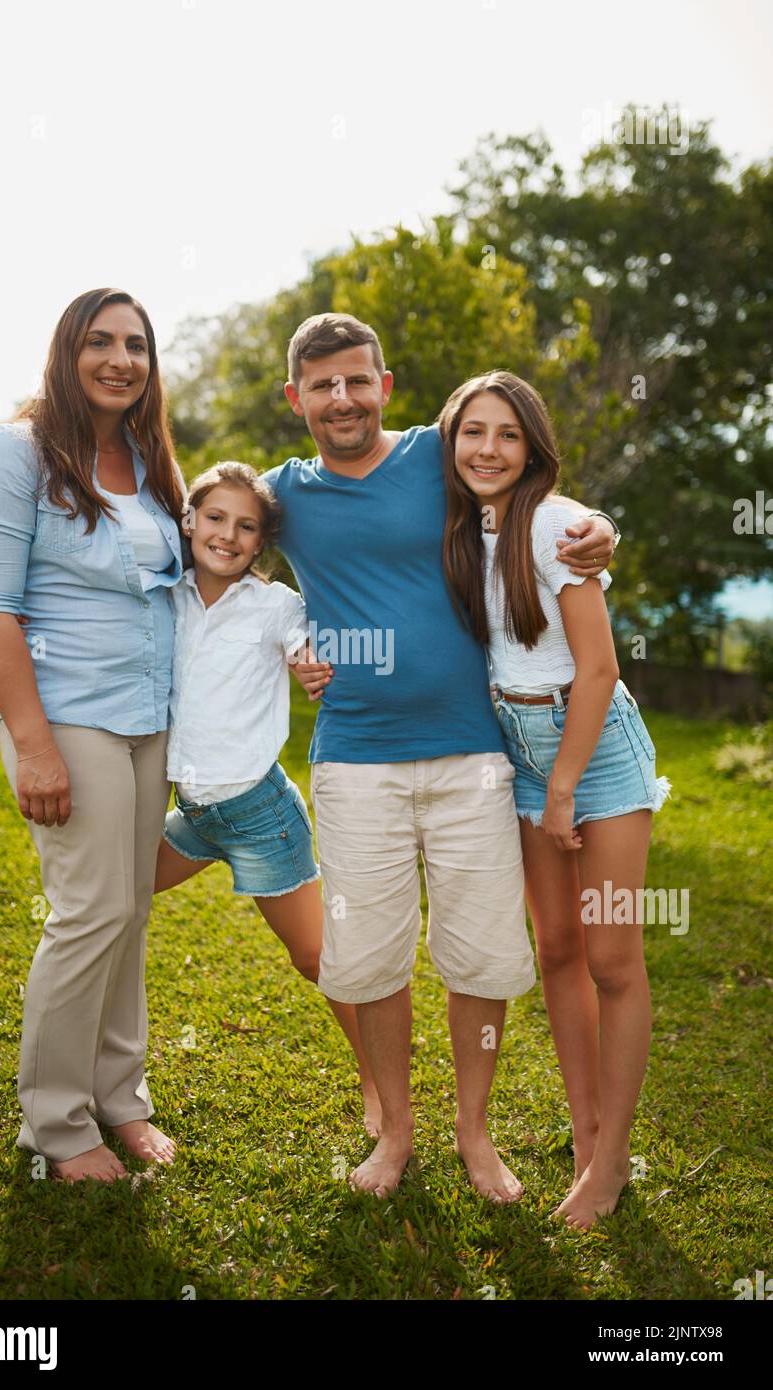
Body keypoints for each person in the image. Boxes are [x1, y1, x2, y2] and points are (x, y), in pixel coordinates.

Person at [263, 313, 620, 1199]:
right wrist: (288, 639)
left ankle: (473, 1133)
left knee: (481, 955)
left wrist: (600, 528)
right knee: (372, 955)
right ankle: (395, 1131)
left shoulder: (441, 453)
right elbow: (207, 540)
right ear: (294, 398)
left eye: (356, 380)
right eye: (321, 385)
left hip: (473, 755)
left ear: (384, 386)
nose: (340, 399)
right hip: (354, 762)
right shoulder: (281, 494)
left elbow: (534, 485)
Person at [438, 369, 670, 1227]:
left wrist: (564, 788)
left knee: (612, 959)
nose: (487, 449)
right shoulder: (463, 526)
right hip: (519, 750)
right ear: (449, 442)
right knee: (558, 951)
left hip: (594, 754)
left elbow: (600, 669)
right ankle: (585, 1136)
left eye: (506, 434)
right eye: (472, 432)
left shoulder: (553, 526)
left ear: (532, 446)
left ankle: (612, 1166)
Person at [0, 288, 185, 1182]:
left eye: (136, 344)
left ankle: (119, 1098)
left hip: (148, 719)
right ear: (68, 351)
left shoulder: (145, 454)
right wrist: (37, 745)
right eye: (100, 341)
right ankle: (56, 1127)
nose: (120, 359)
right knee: (91, 912)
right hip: (67, 715)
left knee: (128, 910)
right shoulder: (16, 455)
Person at [153, 461, 382, 1133]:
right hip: (195, 815)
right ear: (189, 521)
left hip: (260, 816)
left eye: (246, 526)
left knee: (315, 958)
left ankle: (377, 1082)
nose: (228, 535)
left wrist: (311, 665)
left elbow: (301, 644)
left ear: (261, 543)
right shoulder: (167, 598)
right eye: (216, 518)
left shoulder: (274, 605)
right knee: (116, 900)